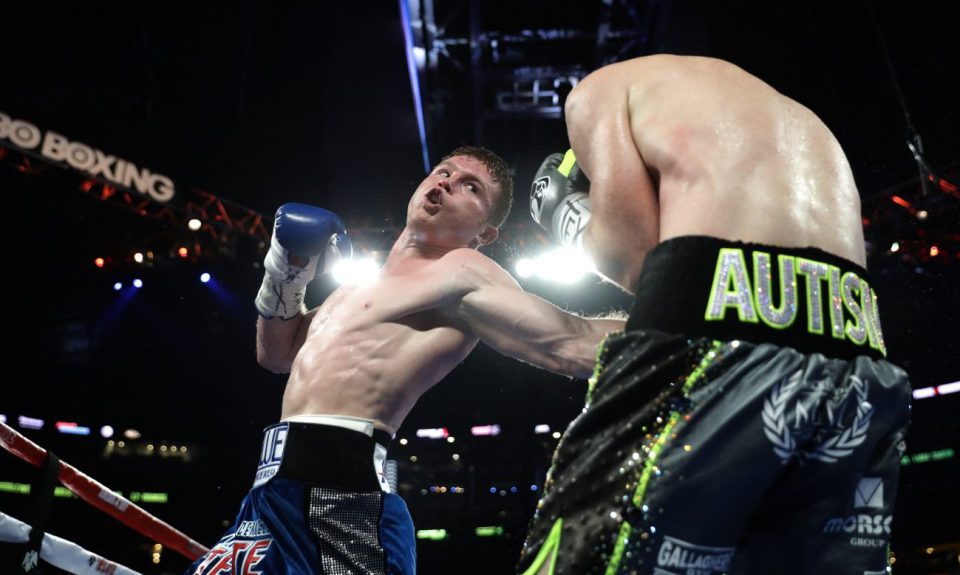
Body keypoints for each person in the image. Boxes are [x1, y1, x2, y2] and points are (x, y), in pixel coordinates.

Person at [519, 55, 911, 575]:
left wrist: (567, 216)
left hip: (718, 349)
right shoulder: (789, 114)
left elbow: (629, 255)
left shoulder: (599, 89)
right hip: (857, 355)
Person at [185, 146, 624, 575]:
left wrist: (678, 314)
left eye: (469, 187)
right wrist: (285, 272)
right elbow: (276, 354)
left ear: (485, 232)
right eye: (444, 171)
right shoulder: (352, 290)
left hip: (340, 504)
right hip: (268, 496)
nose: (446, 184)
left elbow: (571, 344)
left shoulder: (459, 271)